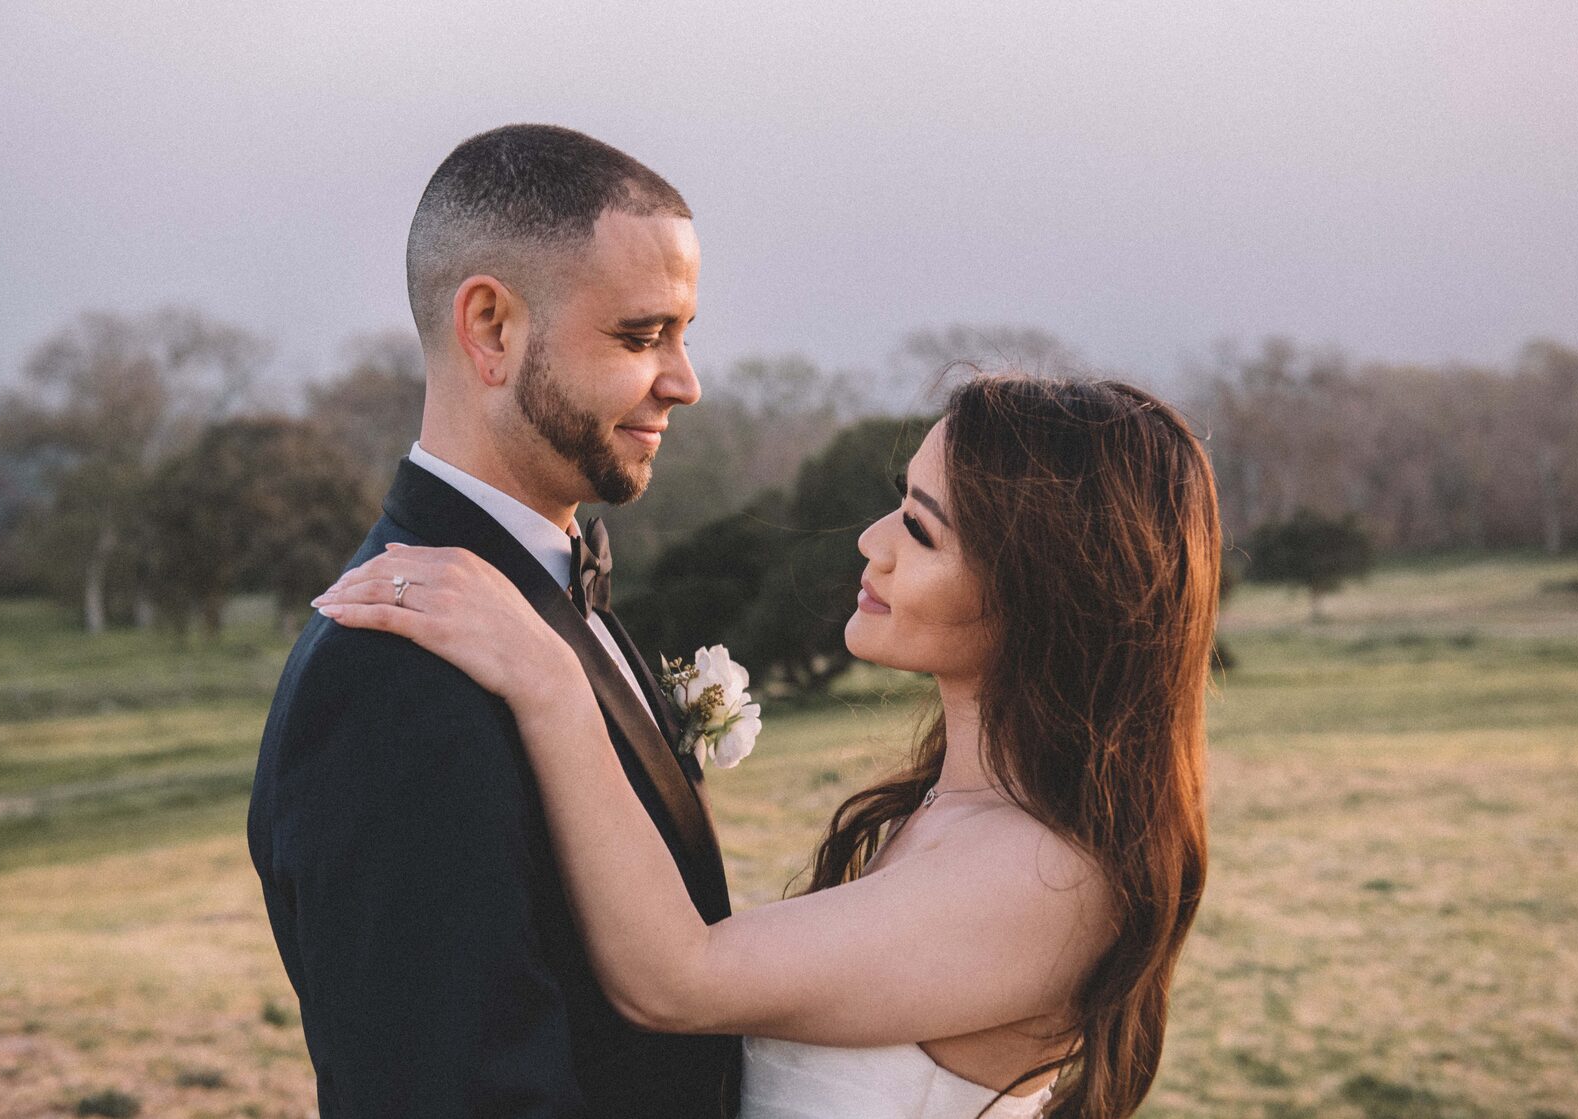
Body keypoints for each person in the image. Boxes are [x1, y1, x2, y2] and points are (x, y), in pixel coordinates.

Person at [313, 373, 1223, 1118]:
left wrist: (550, 681)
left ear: (1041, 596)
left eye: (919, 527)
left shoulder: (1044, 876)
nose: (872, 542)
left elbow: (675, 980)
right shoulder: (964, 812)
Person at [248, 124, 741, 1118]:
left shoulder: (545, 593)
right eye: (642, 337)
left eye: (683, 335)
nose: (686, 381)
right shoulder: (392, 677)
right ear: (492, 329)